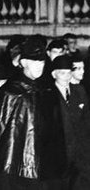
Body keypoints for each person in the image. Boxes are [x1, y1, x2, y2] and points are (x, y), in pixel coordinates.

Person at [0, 36, 69, 190]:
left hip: (42, 168)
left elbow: (55, 132)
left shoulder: (47, 91)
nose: (39, 66)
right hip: (12, 168)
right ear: (23, 63)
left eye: (42, 62)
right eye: (34, 62)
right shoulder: (10, 93)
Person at [50, 55, 90, 190]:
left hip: (81, 156)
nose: (66, 77)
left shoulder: (79, 91)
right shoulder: (47, 95)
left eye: (69, 73)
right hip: (59, 156)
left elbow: (86, 121)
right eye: (62, 73)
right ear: (53, 74)